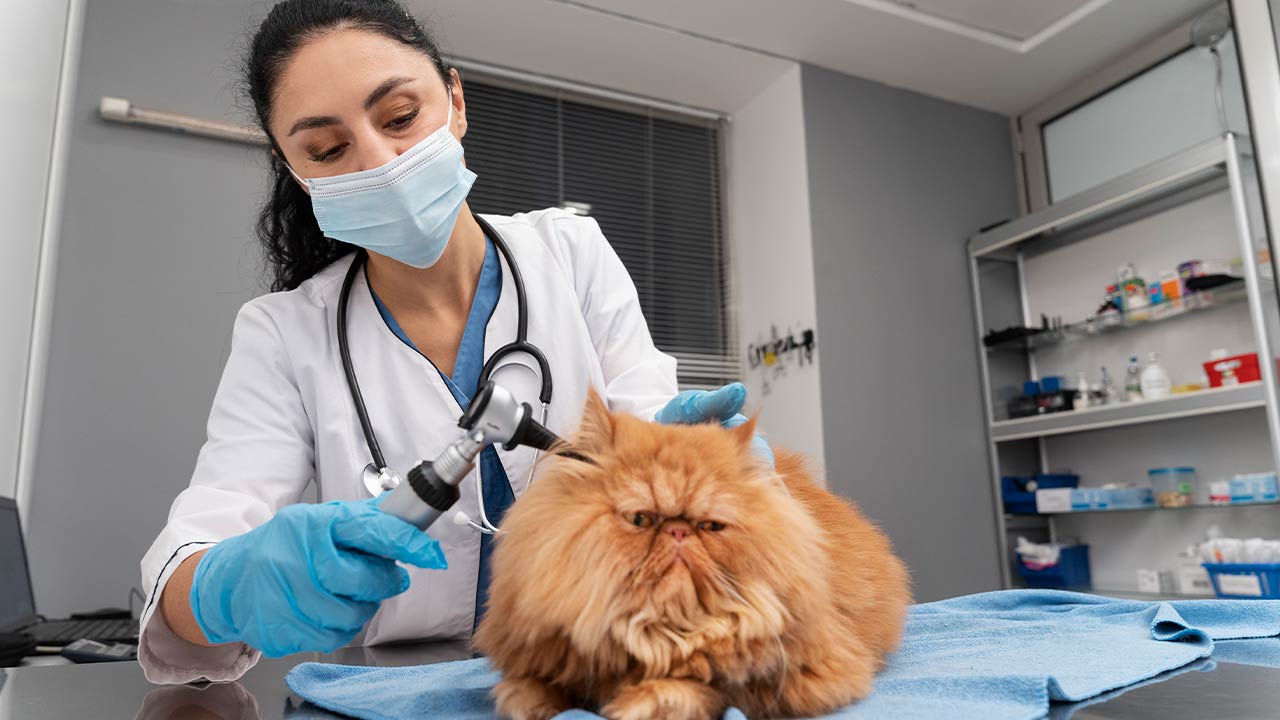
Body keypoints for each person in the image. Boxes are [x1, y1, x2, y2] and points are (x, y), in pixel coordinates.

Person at [138, 0, 768, 685]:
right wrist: (225, 587)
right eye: (327, 149)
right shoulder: (284, 332)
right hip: (395, 691)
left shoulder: (571, 252)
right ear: (295, 169)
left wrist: (700, 462)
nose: (380, 162)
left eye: (400, 117)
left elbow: (651, 440)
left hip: (604, 660)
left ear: (456, 102)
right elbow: (193, 555)